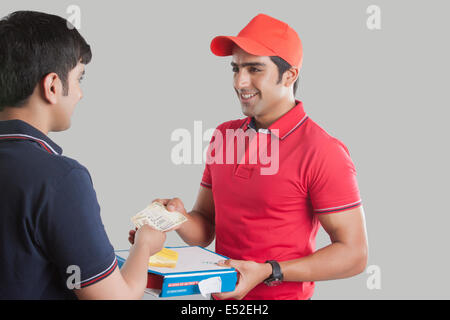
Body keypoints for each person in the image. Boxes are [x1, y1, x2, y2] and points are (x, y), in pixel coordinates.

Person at [136, 13, 368, 300]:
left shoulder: (323, 150)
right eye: (236, 68)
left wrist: (270, 270)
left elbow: (354, 254)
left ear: (290, 75)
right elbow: (206, 227)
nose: (240, 82)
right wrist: (178, 218)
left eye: (254, 69)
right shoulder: (224, 135)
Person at [0, 10, 166, 299]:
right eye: (79, 78)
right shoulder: (60, 179)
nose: (79, 93)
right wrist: (144, 245)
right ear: (52, 86)